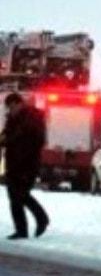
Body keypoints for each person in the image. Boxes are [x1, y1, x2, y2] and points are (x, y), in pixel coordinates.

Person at [1, 94, 50, 240]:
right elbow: (7, 135)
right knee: (15, 196)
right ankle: (22, 229)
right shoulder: (13, 119)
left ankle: (41, 218)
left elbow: (31, 140)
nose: (10, 110)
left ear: (18, 104)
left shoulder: (31, 118)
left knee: (21, 195)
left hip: (27, 164)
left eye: (11, 106)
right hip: (14, 163)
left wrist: (9, 140)